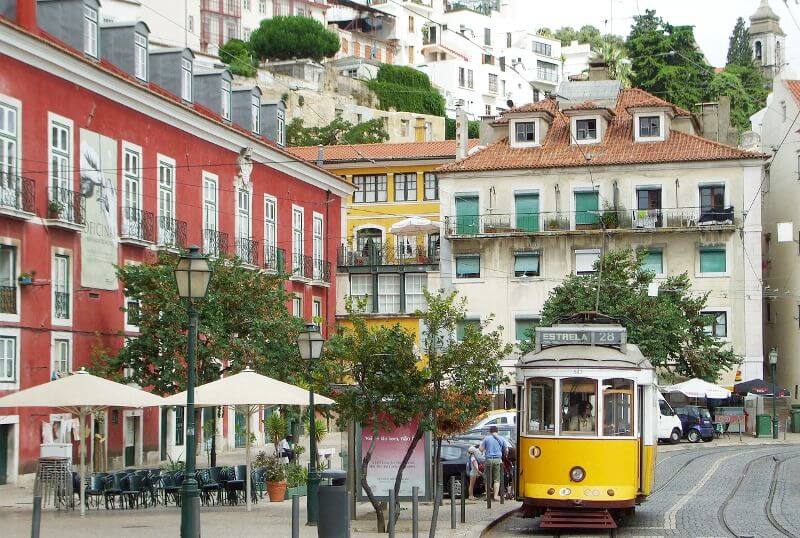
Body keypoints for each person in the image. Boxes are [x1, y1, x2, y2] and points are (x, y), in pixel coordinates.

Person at [479, 425, 508, 501]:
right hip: (498, 460)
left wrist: (485, 449)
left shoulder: (486, 438)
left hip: (488, 460)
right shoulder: (501, 438)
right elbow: (506, 450)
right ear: (497, 431)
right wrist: (504, 453)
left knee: (487, 479)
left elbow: (481, 449)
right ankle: (495, 496)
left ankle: (487, 496)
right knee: (497, 479)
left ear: (490, 431)